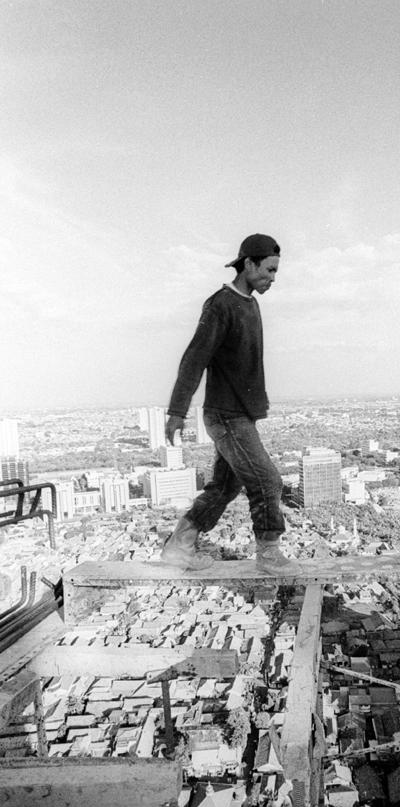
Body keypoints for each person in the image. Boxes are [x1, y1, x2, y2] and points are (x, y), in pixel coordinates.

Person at [161, 233, 299, 574]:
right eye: (269, 270)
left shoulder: (250, 304)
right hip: (226, 415)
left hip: (240, 414)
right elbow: (194, 360)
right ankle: (269, 553)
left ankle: (178, 547)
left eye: (275, 271)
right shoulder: (221, 304)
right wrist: (177, 411)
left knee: (224, 488)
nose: (273, 278)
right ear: (248, 263)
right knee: (268, 482)